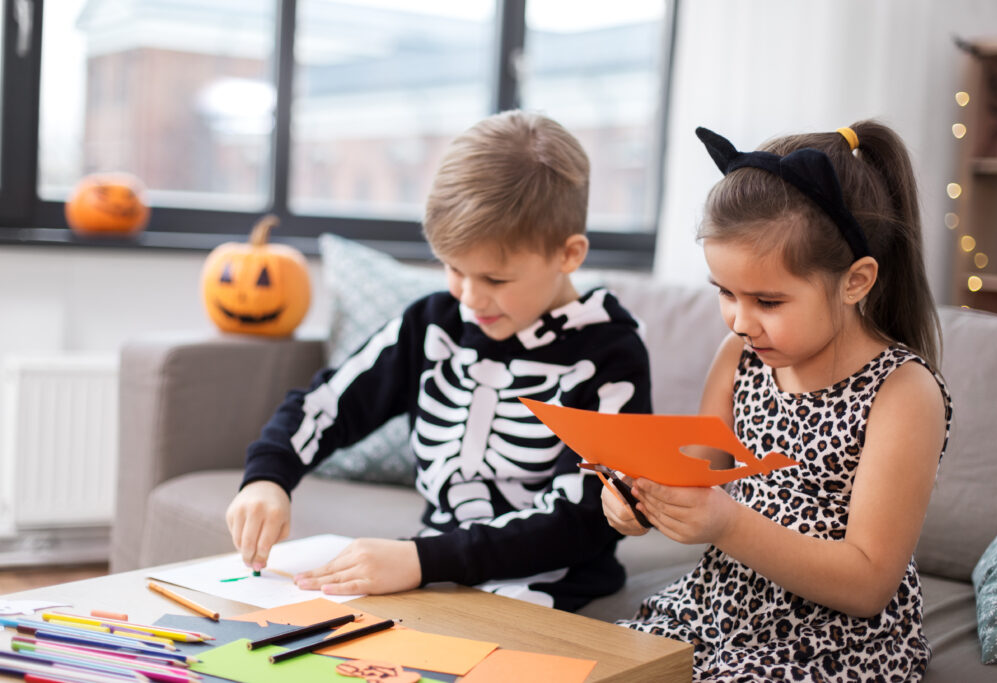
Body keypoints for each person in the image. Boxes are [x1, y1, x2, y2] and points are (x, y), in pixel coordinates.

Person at [225, 110, 652, 612]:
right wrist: (268, 477)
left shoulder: (610, 355)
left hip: (551, 592)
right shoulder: (431, 323)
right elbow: (325, 405)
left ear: (569, 254)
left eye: (495, 279)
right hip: (436, 576)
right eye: (453, 269)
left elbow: (581, 520)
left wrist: (420, 561)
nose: (471, 299)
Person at [604, 121, 952, 680]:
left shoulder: (902, 392)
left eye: (767, 300)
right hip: (715, 610)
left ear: (856, 281)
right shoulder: (738, 357)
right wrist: (638, 501)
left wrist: (726, 524)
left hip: (834, 641)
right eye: (725, 293)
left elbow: (867, 585)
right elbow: (693, 476)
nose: (741, 321)